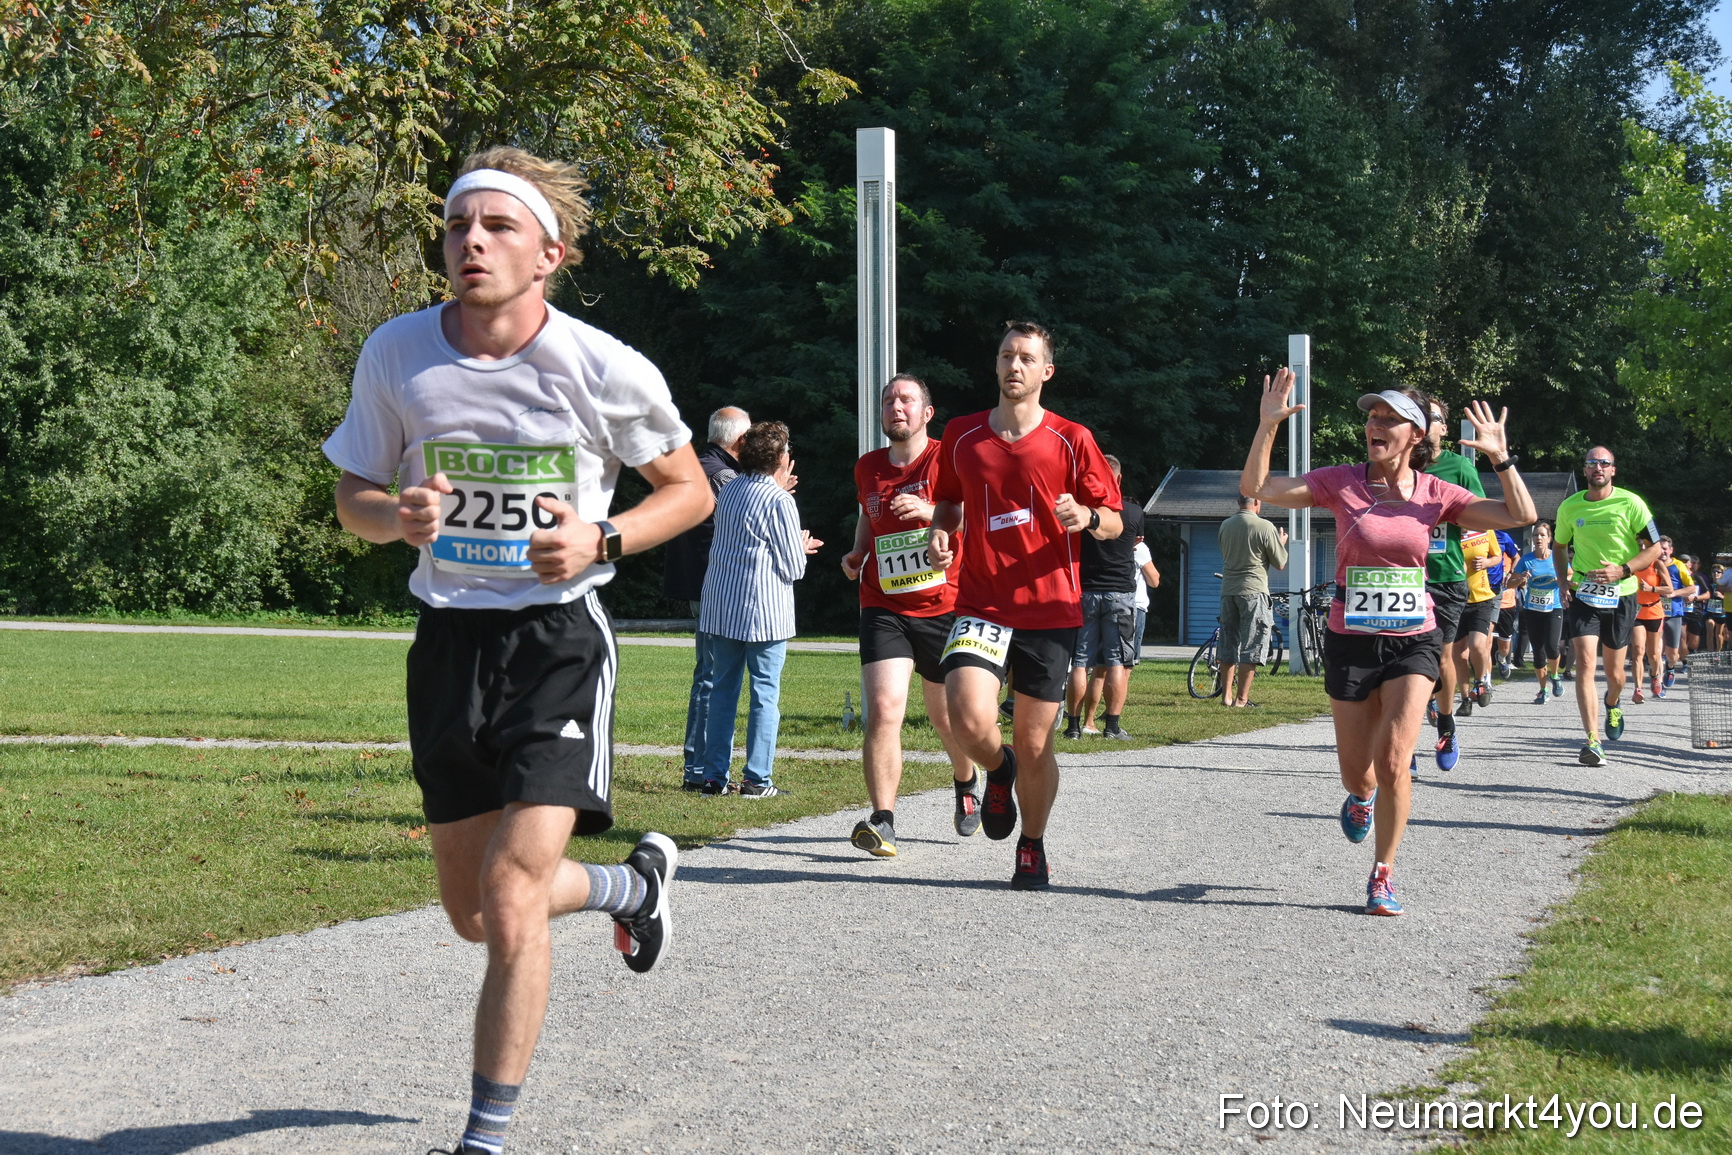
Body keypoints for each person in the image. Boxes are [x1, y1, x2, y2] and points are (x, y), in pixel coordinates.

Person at [323, 147, 712, 1155]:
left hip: (557, 643)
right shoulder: (397, 354)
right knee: (473, 915)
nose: (472, 243)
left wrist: (601, 536)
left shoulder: (599, 363)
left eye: (497, 227)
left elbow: (689, 490)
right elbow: (352, 498)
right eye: (458, 227)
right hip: (448, 642)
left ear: (550, 254)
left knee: (510, 894)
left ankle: (483, 1140)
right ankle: (631, 888)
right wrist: (394, 517)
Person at [1243, 375, 1534, 916]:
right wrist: (1266, 427)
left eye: (1389, 419)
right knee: (1360, 771)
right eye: (1372, 417)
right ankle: (1360, 798)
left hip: (1413, 640)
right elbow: (1259, 491)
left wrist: (1502, 459)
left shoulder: (1435, 493)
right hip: (1351, 640)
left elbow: (1519, 516)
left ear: (1416, 434)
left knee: (1396, 759)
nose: (1375, 426)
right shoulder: (1340, 482)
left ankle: (1383, 874)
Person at [927, 321, 1122, 890]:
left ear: (1046, 371)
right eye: (1007, 356)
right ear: (995, 364)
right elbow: (949, 503)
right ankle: (996, 768)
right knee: (966, 717)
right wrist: (943, 532)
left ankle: (1032, 844)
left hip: (1049, 609)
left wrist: (1086, 517)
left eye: (1026, 358)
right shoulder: (961, 436)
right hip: (981, 603)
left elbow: (1114, 521)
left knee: (1037, 743)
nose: (1015, 366)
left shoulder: (1071, 438)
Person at [840, 374, 980, 856]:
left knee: (950, 720)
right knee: (883, 710)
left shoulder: (949, 457)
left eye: (906, 399)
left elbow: (970, 513)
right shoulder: (868, 467)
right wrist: (858, 552)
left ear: (926, 412)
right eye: (888, 400)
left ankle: (966, 781)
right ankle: (883, 820)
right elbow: (867, 512)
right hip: (884, 603)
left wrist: (928, 511)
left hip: (945, 605)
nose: (896, 406)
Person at [698, 420, 823, 797]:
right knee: (764, 695)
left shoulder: (730, 490)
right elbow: (792, 568)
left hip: (722, 605)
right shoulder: (780, 501)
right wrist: (799, 546)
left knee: (721, 693)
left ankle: (713, 776)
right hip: (763, 612)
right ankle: (757, 778)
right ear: (781, 458)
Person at [1552, 447, 1662, 767]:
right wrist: (1562, 581)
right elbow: (1559, 546)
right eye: (1591, 463)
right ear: (1584, 471)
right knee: (1585, 662)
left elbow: (1654, 547)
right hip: (1585, 592)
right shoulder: (1570, 506)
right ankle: (1592, 740)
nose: (1597, 467)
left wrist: (1623, 570)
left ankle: (1613, 702)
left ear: (1613, 470)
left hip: (1623, 592)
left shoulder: (1632, 503)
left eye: (1604, 463)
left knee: (1616, 675)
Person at [666, 407, 749, 790]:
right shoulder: (723, 474)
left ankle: (698, 767)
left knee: (709, 674)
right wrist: (775, 493)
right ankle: (698, 770)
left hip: (699, 584)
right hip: (713, 586)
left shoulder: (696, 465)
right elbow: (747, 516)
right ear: (738, 439)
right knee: (712, 676)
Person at [1418, 395, 1486, 771]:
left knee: (1441, 657)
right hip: (1402, 577)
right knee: (1400, 662)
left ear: (1444, 428)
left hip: (1445, 577)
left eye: (1434, 418)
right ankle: (1402, 744)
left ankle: (1445, 724)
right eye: (1419, 416)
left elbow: (1483, 515)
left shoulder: (1459, 468)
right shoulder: (1396, 463)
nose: (1426, 422)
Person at [1063, 454, 1147, 739]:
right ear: (1119, 479)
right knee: (1117, 662)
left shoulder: (1081, 512)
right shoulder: (1133, 512)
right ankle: (1112, 726)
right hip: (1121, 593)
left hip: (1085, 591)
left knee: (1080, 661)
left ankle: (1073, 726)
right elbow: (1136, 543)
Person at [1216, 494, 1289, 709]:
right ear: (1257, 502)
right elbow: (1280, 563)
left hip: (1229, 590)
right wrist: (1281, 543)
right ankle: (1241, 699)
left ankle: (1226, 696)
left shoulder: (1225, 525)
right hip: (1254, 591)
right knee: (1252, 643)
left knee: (1228, 643)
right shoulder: (1265, 526)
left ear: (1238, 502)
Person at [1509, 521, 1564, 704]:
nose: (1538, 538)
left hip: (1553, 607)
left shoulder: (1557, 558)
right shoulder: (1526, 560)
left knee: (1551, 646)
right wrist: (1521, 579)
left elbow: (1571, 576)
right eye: (1535, 535)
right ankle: (1543, 689)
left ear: (1549, 538)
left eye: (1542, 535)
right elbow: (1510, 583)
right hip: (1532, 609)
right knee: (1538, 652)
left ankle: (1555, 676)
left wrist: (1562, 579)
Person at [1631, 534, 1667, 703]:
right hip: (1636, 612)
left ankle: (1654, 675)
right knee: (1638, 650)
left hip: (1653, 611)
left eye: (1645, 545)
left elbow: (1669, 589)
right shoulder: (1630, 563)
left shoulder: (1657, 564)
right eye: (1639, 545)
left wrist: (1651, 588)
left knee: (1653, 655)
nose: (1642, 548)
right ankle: (1638, 689)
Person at [1658, 537, 1693, 689]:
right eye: (1660, 548)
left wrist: (1674, 593)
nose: (1663, 551)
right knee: (1655, 651)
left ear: (1671, 550)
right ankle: (1656, 680)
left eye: (1665, 548)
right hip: (1653, 612)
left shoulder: (1678, 565)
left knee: (1672, 654)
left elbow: (1691, 588)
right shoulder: (1649, 564)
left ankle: (1670, 668)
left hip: (1673, 612)